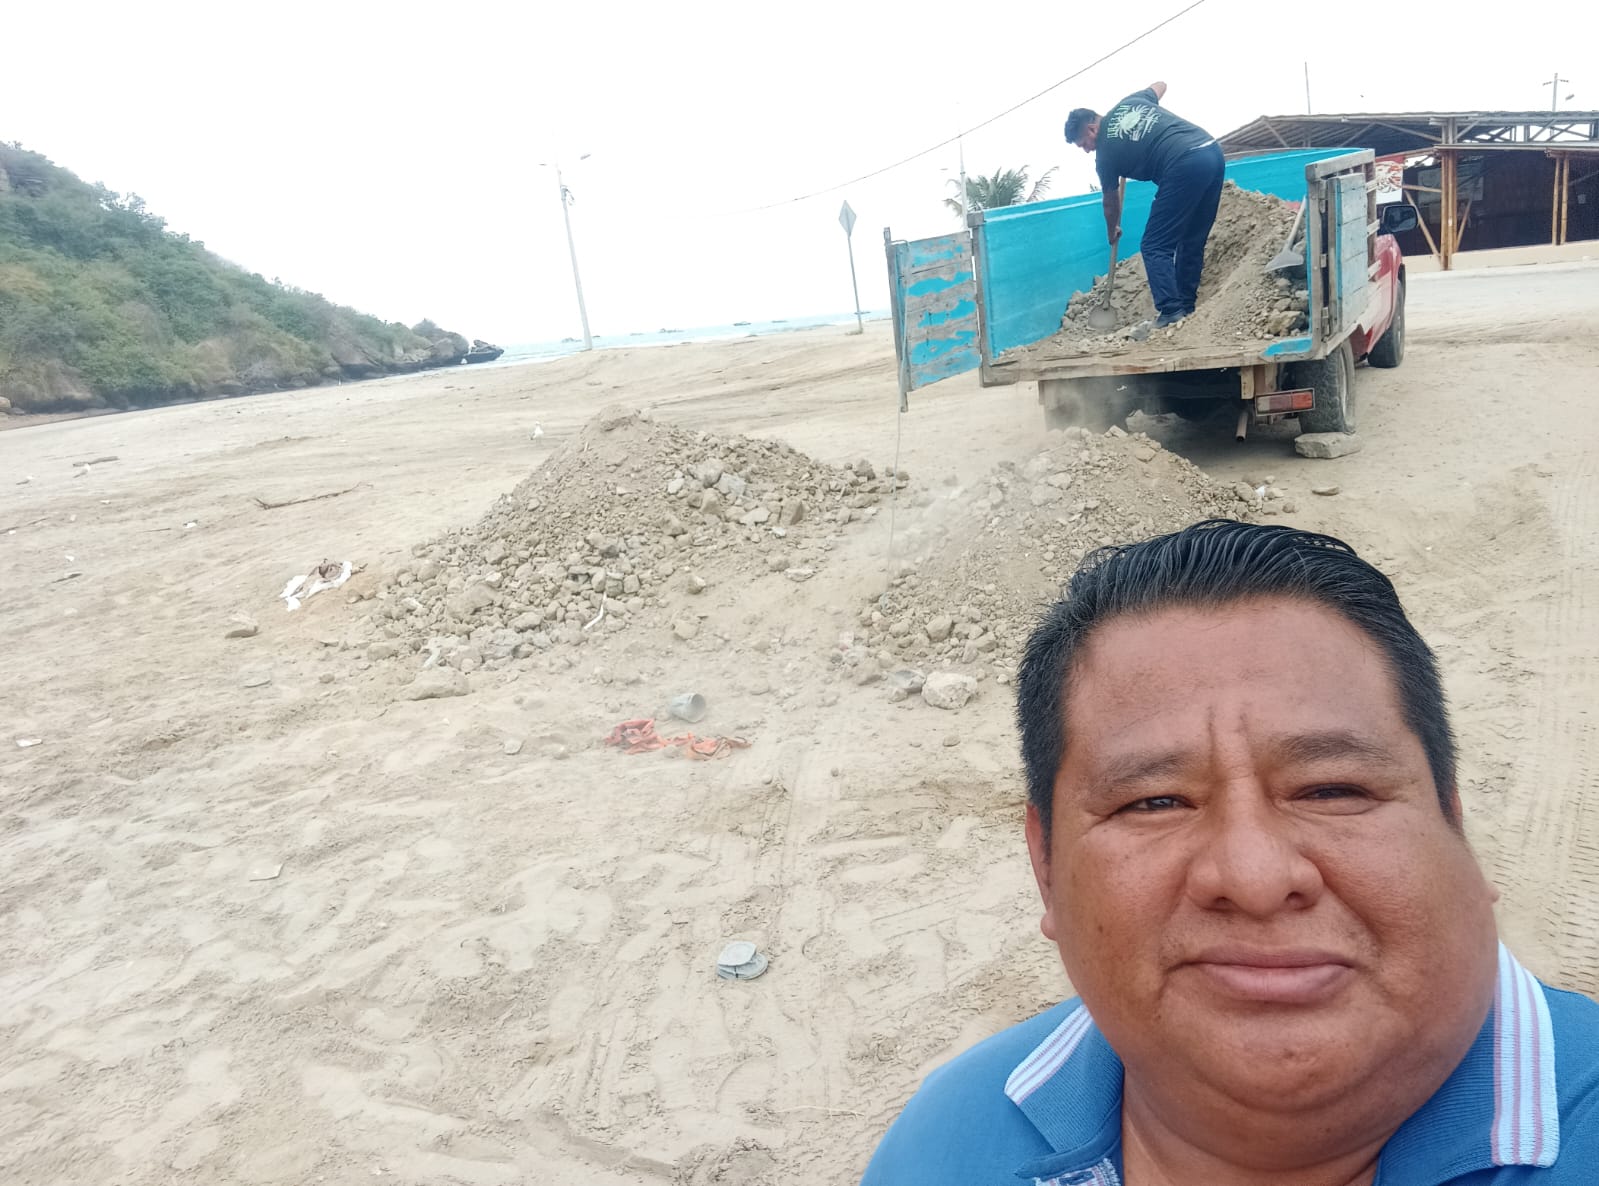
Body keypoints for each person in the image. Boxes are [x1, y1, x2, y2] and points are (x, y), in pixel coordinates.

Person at [861, 520, 1599, 1185]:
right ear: (1046, 868)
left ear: (1454, 826)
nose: (1254, 878)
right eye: (1154, 802)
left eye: (1332, 790)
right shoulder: (940, 1147)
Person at [1065, 82, 1224, 329]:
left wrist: (1112, 229)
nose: (1086, 150)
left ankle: (1171, 311)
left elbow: (1110, 202)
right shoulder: (1131, 102)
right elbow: (1160, 85)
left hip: (1183, 162)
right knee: (1191, 239)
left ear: (1092, 129)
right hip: (1211, 151)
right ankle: (1186, 308)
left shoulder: (1105, 156)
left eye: (1083, 144)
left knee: (1154, 245)